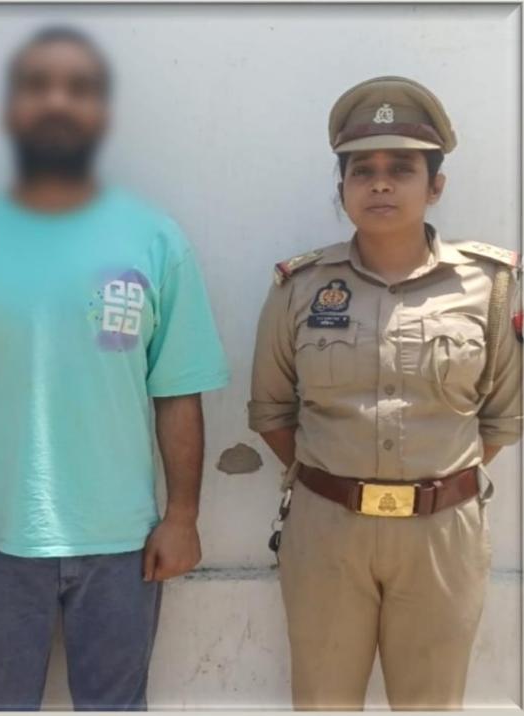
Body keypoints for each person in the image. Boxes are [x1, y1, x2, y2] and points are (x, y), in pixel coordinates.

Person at [0, 26, 230, 710]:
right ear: (9, 109)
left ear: (102, 111)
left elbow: (176, 391)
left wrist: (182, 516)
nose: (56, 101)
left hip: (123, 540)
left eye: (78, 88)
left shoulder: (154, 240)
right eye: (36, 86)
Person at [249, 75, 523, 710]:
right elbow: (271, 412)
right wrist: (338, 483)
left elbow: (501, 419)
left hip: (441, 534)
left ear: (436, 186)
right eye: (361, 170)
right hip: (327, 529)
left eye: (401, 168)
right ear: (342, 188)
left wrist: (432, 487)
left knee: (431, 704)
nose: (379, 184)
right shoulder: (299, 287)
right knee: (323, 701)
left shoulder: (492, 285)